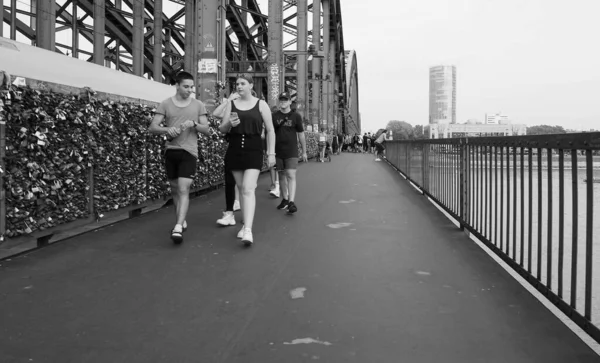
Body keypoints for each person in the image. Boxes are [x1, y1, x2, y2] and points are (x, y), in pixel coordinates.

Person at [148, 71, 211, 244]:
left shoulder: (198, 105)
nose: (190, 90)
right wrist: (166, 129)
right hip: (171, 151)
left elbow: (206, 129)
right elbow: (152, 127)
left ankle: (177, 226)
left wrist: (194, 124)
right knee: (175, 189)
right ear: (176, 86)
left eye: (191, 87)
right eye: (186, 86)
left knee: (183, 189)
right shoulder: (165, 104)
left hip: (189, 151)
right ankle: (181, 219)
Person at [219, 74, 276, 246]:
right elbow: (222, 128)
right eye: (237, 84)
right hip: (235, 149)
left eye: (243, 83)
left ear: (251, 85)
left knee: (248, 188)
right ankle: (244, 225)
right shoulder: (231, 104)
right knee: (242, 188)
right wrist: (229, 123)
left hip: (254, 149)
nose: (239, 86)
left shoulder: (261, 104)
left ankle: (248, 230)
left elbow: (271, 130)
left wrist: (271, 153)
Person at [272, 92, 307, 213]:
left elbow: (301, 134)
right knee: (281, 175)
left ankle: (291, 202)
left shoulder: (296, 116)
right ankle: (285, 199)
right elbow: (270, 133)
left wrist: (304, 151)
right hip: (278, 151)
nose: (283, 102)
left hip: (291, 151)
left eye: (285, 100)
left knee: (291, 175)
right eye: (281, 100)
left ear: (290, 102)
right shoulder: (274, 116)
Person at [214, 91, 243, 227]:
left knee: (244, 182)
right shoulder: (231, 108)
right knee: (231, 179)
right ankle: (231, 208)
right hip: (232, 145)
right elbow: (215, 114)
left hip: (247, 146)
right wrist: (228, 101)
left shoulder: (251, 107)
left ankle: (245, 213)